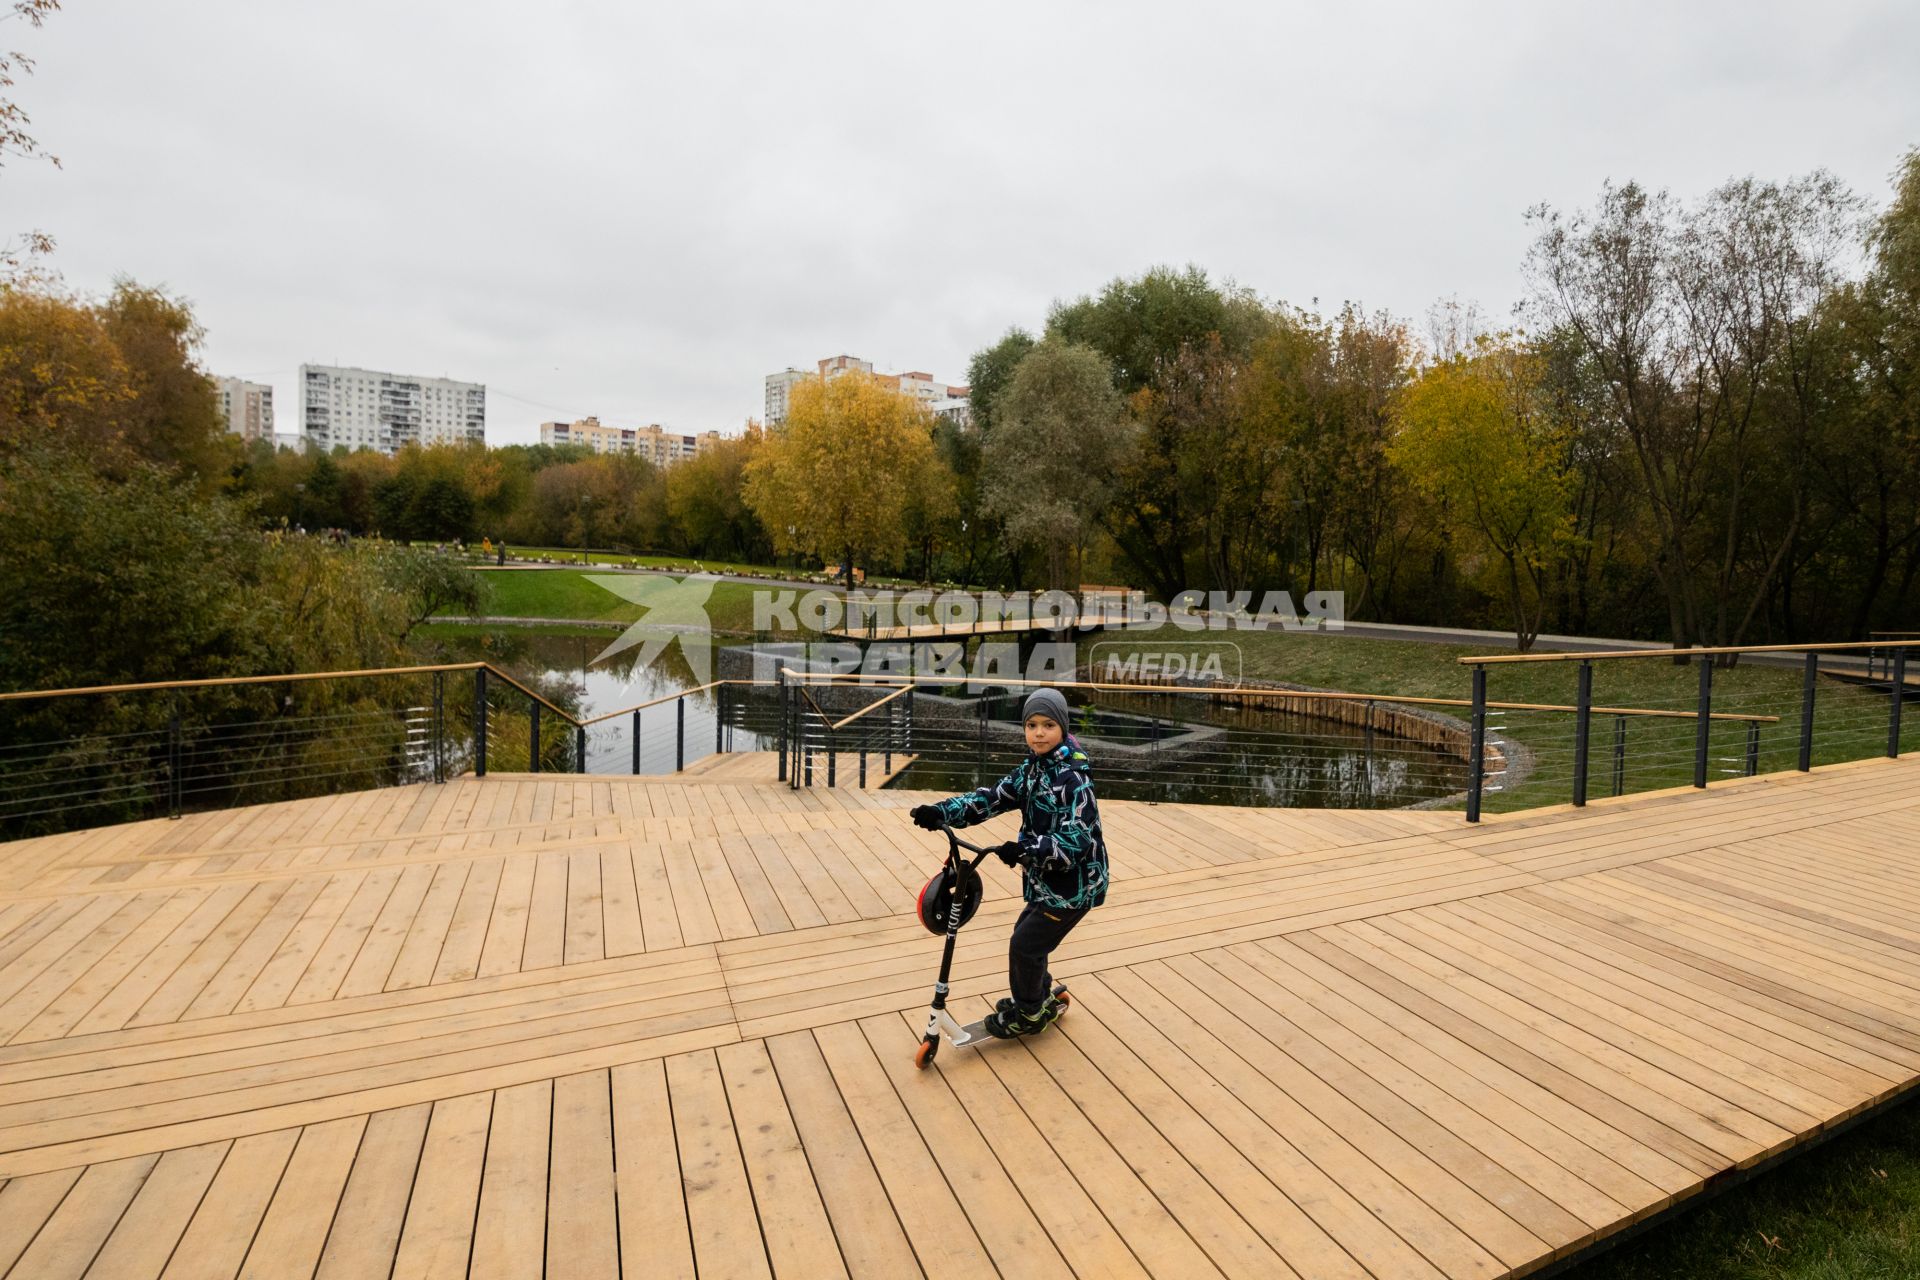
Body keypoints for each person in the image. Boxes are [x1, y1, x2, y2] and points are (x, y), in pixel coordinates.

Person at [910, 687, 1107, 1038]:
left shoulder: (1072, 780)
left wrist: (1025, 850)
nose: (1039, 733)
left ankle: (1030, 1014)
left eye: (1048, 725)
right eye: (1031, 725)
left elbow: (1076, 841)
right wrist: (940, 812)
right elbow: (989, 799)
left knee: (1025, 946)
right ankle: (1038, 994)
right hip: (1046, 882)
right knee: (1027, 938)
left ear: (1062, 727)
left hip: (1074, 886)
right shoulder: (1032, 770)